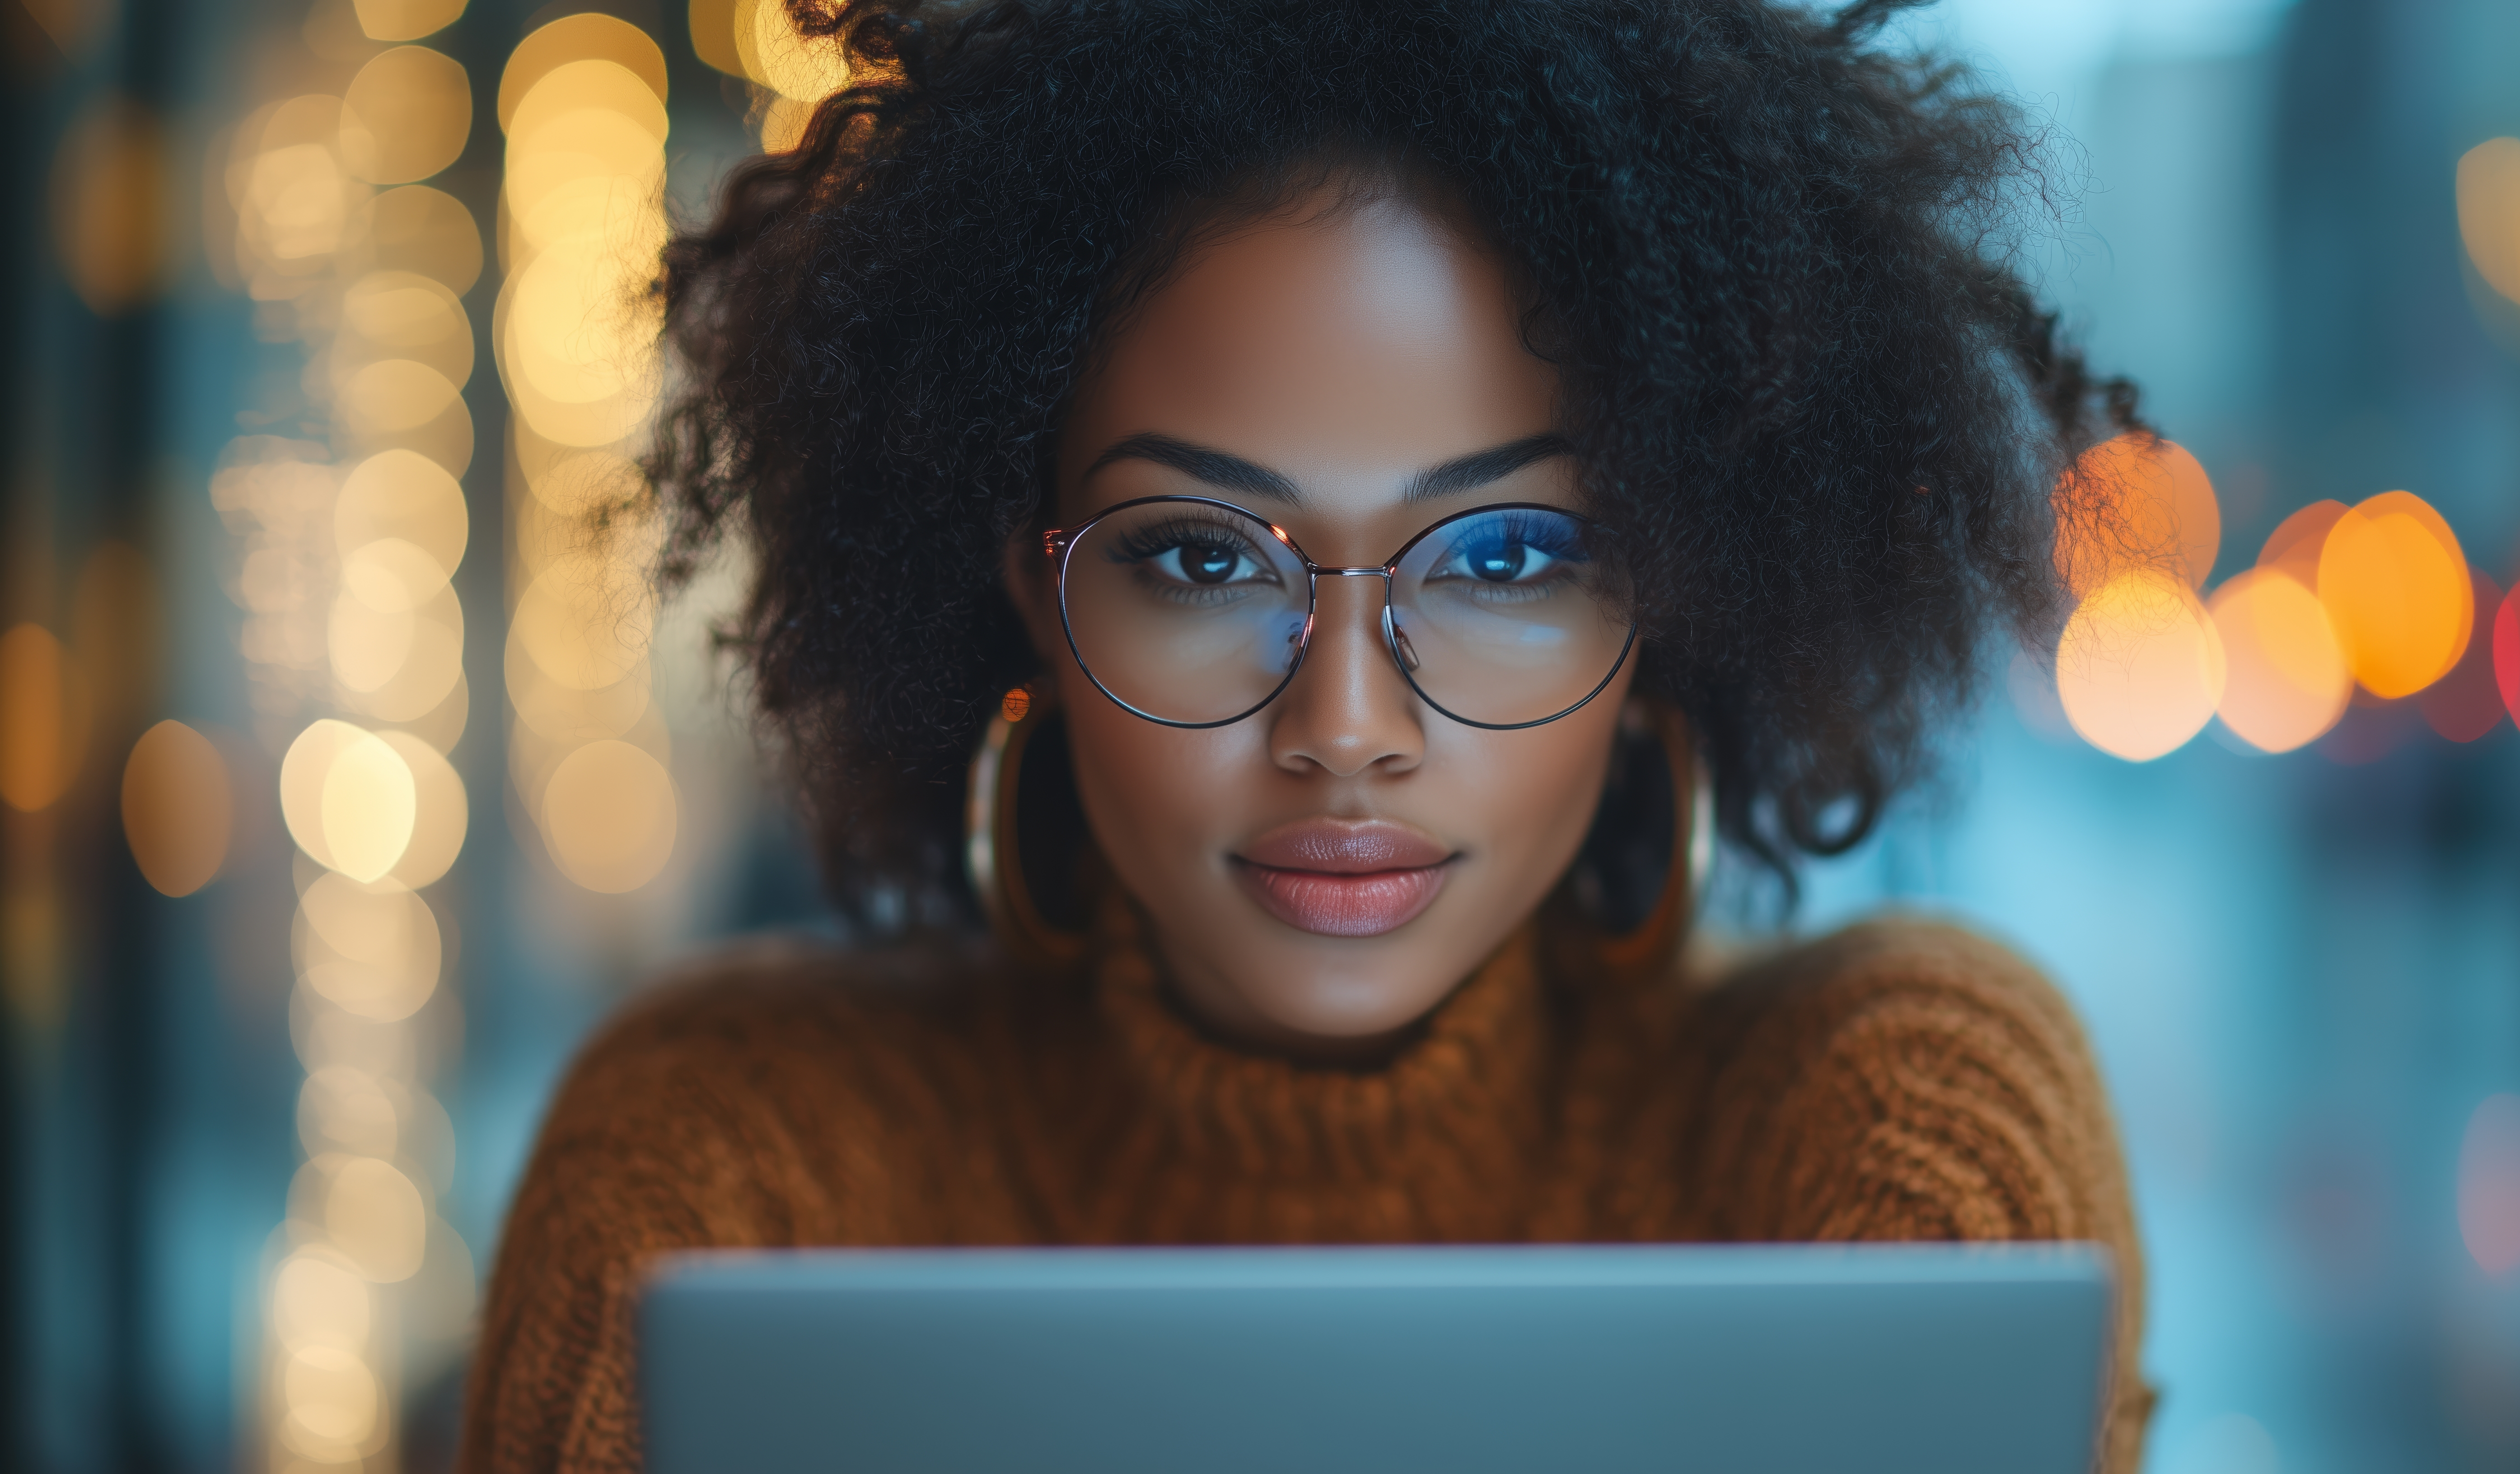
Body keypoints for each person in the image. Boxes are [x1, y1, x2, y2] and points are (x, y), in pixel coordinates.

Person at [460, 2, 2155, 1469]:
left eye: (1508, 555)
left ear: (1671, 604)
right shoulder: (718, 1184)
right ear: (1034, 601)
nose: (1344, 728)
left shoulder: (1903, 1134)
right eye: (1199, 556)